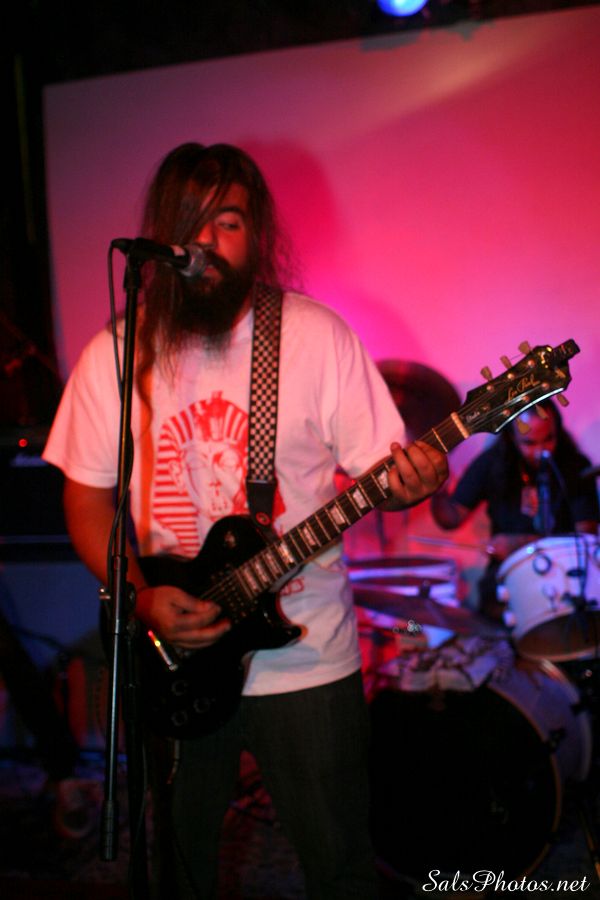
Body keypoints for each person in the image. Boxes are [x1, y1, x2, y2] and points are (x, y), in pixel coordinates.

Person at [42, 141, 448, 899]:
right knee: (179, 868)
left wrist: (411, 483)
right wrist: (140, 596)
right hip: (173, 653)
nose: (206, 241)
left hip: (308, 653)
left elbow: (382, 472)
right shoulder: (116, 354)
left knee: (340, 866)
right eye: (191, 222)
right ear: (161, 233)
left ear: (255, 233)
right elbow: (87, 496)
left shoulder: (314, 336)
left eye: (227, 222)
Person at [431, 399, 599, 621]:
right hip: (505, 584)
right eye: (529, 443)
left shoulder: (575, 466)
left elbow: (585, 538)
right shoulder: (492, 463)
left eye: (549, 439)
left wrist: (518, 544)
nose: (541, 451)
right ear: (511, 438)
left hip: (564, 582)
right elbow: (451, 518)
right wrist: (436, 488)